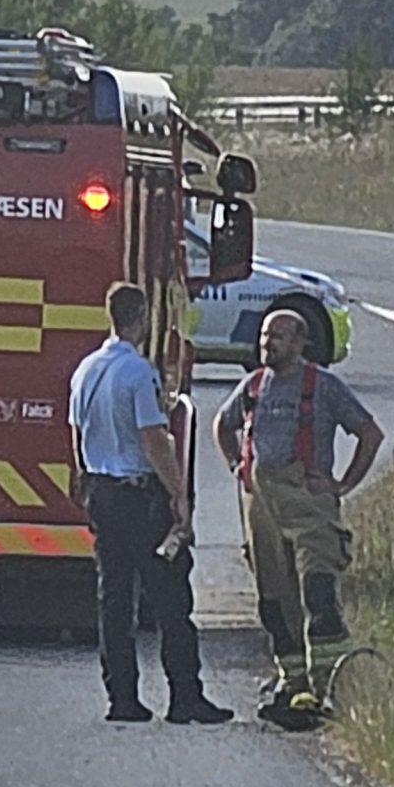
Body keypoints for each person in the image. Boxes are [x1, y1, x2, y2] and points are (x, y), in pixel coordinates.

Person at [66, 282, 232, 725]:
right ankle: (185, 698)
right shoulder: (139, 374)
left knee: (115, 599)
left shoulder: (85, 370)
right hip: (139, 496)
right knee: (170, 598)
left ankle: (122, 698)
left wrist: (81, 479)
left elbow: (76, 433)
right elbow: (153, 438)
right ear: (141, 318)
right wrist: (178, 494)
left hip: (101, 490)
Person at [213, 308, 384, 729]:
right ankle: (294, 685)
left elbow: (370, 434)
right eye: (265, 336)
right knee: (275, 602)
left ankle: (333, 685)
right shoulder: (254, 386)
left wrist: (342, 485)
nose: (267, 344)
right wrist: (238, 463)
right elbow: (222, 424)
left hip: (311, 507)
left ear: (300, 343)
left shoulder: (323, 387)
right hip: (262, 510)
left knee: (318, 597)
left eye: (279, 337)